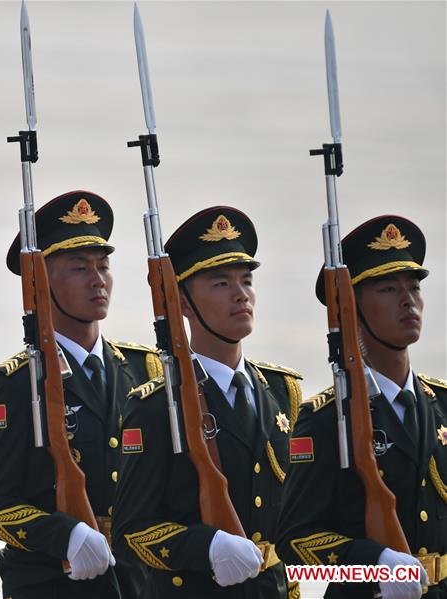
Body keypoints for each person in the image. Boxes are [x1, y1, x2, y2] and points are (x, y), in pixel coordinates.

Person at [0, 191, 163, 599]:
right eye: (79, 268)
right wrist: (64, 535)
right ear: (40, 283)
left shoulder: (143, 370)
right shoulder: (19, 382)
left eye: (104, 266)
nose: (98, 279)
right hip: (51, 584)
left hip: (135, 582)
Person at [112, 206, 302, 599]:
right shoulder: (156, 406)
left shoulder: (282, 393)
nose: (241, 294)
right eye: (220, 283)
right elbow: (132, 530)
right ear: (182, 303)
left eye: (246, 281)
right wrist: (206, 546)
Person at [276, 215, 446, 599]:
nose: (408, 300)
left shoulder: (442, 405)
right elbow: (295, 544)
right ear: (350, 309)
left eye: (414, 287)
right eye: (388, 289)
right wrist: (374, 566)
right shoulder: (326, 419)